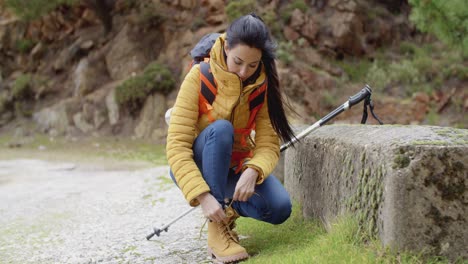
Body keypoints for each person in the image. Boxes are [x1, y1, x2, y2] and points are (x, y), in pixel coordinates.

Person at [166, 13, 296, 263]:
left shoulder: (261, 86)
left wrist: (253, 170)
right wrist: (203, 197)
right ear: (226, 47)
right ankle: (217, 228)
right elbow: (177, 147)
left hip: (235, 167)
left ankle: (227, 209)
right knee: (221, 128)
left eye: (252, 65)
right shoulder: (199, 76)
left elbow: (268, 143)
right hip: (200, 165)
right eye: (237, 61)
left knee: (279, 208)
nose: (244, 72)